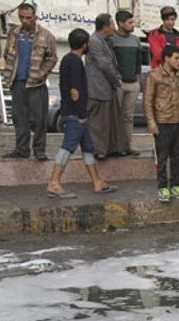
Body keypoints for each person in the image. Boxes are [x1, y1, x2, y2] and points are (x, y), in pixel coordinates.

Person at [46, 28, 116, 198]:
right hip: (76, 115)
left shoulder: (67, 60)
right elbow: (75, 92)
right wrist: (81, 115)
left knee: (88, 148)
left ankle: (97, 182)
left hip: (75, 113)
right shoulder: (76, 62)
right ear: (84, 45)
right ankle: (54, 182)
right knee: (68, 147)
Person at [1, 2, 57, 160]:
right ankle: (21, 149)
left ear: (35, 17)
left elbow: (52, 58)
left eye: (28, 18)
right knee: (19, 117)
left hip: (36, 83)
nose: (25, 21)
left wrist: (41, 73)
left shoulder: (46, 35)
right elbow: (7, 54)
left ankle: (39, 150)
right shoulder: (14, 33)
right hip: (17, 82)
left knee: (39, 119)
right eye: (22, 17)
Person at [144, 45, 179, 203]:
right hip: (163, 121)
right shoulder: (154, 76)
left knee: (177, 156)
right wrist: (151, 122)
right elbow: (148, 101)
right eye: (176, 58)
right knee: (162, 156)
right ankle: (163, 187)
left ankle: (176, 185)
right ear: (166, 58)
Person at [86, 13, 127, 159]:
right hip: (98, 88)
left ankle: (113, 148)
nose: (114, 27)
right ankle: (99, 150)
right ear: (105, 27)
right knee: (99, 123)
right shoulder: (95, 41)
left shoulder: (106, 40)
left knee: (111, 122)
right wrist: (117, 81)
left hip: (107, 88)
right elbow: (104, 65)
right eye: (112, 25)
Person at [109, 10, 142, 157]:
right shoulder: (111, 40)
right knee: (115, 116)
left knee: (129, 117)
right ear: (120, 24)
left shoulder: (135, 40)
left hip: (133, 83)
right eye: (129, 23)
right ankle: (115, 145)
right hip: (119, 83)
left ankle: (128, 145)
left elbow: (138, 62)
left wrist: (138, 80)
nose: (132, 25)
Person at [148, 6, 179, 73]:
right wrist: (175, 59)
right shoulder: (154, 34)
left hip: (176, 73)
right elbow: (158, 55)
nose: (170, 22)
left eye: (172, 19)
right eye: (167, 19)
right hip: (160, 72)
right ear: (163, 20)